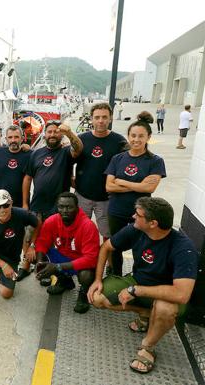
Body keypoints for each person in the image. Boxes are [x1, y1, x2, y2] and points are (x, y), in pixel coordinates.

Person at [87, 197, 198, 374]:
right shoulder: (135, 230)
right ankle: (145, 313)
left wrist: (136, 290)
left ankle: (148, 347)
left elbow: (182, 294)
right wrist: (98, 280)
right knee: (98, 298)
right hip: (139, 282)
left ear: (153, 223)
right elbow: (106, 247)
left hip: (167, 295)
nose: (132, 216)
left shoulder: (183, 248)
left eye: (137, 215)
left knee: (164, 309)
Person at [105, 111, 166, 276]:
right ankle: (116, 275)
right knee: (116, 246)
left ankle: (138, 278)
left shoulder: (155, 161)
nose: (136, 140)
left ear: (148, 137)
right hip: (116, 210)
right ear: (128, 136)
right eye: (133, 135)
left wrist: (122, 182)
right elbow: (109, 187)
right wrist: (139, 185)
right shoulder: (117, 158)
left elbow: (149, 189)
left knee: (142, 246)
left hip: (142, 213)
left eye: (141, 136)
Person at [34, 192, 100, 313]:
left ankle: (84, 293)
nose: (65, 210)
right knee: (37, 254)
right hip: (63, 257)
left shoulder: (88, 226)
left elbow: (90, 259)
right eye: (61, 207)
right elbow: (42, 242)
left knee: (86, 275)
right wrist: (39, 263)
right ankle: (65, 281)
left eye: (69, 207)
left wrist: (57, 267)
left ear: (77, 207)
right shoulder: (51, 221)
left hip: (80, 262)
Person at [74, 102, 128, 243]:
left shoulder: (119, 141)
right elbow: (66, 161)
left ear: (110, 118)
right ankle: (82, 261)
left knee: (107, 234)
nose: (101, 121)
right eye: (97, 117)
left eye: (104, 117)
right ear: (91, 119)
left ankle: (108, 264)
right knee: (80, 231)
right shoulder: (81, 139)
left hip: (106, 199)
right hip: (82, 196)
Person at [22, 120, 83, 221]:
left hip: (60, 208)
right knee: (34, 235)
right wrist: (25, 203)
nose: (52, 134)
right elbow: (28, 178)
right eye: (49, 132)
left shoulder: (66, 152)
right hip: (37, 206)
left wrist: (69, 133)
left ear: (61, 135)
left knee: (56, 236)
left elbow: (78, 149)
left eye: (56, 132)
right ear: (44, 134)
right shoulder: (36, 154)